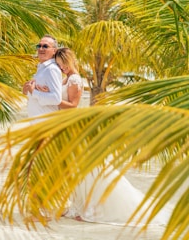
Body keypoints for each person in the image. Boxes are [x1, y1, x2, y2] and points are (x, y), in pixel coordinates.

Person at [37, 47, 171, 226]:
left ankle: (88, 207)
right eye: (59, 66)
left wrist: (51, 100)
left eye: (64, 65)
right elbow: (56, 95)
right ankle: (79, 205)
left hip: (71, 127)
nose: (62, 68)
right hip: (63, 127)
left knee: (84, 170)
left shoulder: (75, 79)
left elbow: (73, 105)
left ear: (70, 61)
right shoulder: (65, 78)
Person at [22, 35, 62, 121]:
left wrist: (33, 91)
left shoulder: (51, 69)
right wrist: (27, 91)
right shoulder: (42, 68)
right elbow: (36, 96)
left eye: (45, 46)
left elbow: (56, 99)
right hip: (37, 123)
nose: (41, 49)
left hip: (46, 124)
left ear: (54, 50)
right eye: (39, 46)